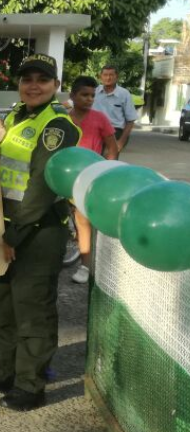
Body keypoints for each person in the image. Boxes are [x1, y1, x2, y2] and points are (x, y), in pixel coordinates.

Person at [0, 53, 80, 412]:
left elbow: (41, 187)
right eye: (27, 79)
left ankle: (30, 386)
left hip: (37, 232)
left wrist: (11, 236)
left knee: (32, 311)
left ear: (56, 85)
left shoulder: (57, 126)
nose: (33, 86)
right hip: (3, 228)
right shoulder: (14, 117)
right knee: (1, 307)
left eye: (42, 80)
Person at [65, 76, 119, 285]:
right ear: (72, 96)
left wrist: (106, 172)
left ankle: (85, 266)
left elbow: (112, 148)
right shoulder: (63, 118)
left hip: (88, 179)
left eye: (92, 95)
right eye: (84, 95)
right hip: (63, 177)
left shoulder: (100, 118)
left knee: (83, 221)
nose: (89, 99)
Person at [92, 65, 137, 158]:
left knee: (109, 161)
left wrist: (121, 142)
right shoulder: (93, 92)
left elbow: (130, 120)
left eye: (111, 75)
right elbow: (73, 102)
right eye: (105, 75)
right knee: (93, 160)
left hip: (115, 132)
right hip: (95, 131)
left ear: (117, 77)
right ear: (100, 76)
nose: (108, 78)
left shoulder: (124, 94)